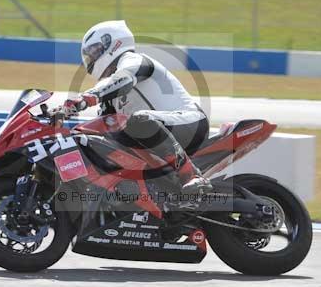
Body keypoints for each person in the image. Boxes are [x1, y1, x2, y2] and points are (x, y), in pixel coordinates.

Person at [63, 20, 211, 207]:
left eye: (94, 52)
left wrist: (87, 97)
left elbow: (123, 79)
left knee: (139, 120)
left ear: (113, 43)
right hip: (157, 137)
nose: (91, 59)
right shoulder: (110, 93)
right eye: (89, 55)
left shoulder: (133, 60)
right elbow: (103, 125)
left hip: (190, 123)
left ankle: (192, 175)